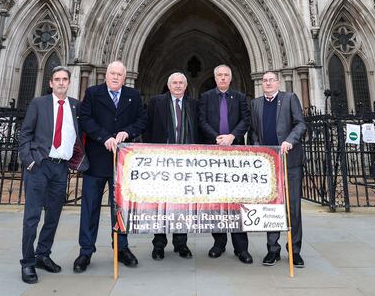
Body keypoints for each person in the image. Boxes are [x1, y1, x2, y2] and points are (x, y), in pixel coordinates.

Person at [74, 60, 147, 273]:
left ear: (125, 77)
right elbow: (85, 119)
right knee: (90, 208)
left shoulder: (133, 96)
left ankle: (121, 247)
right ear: (106, 75)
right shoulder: (93, 93)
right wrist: (103, 136)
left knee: (120, 209)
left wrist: (128, 132)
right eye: (112, 73)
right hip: (96, 159)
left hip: (121, 163)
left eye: (119, 74)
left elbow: (142, 120)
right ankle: (85, 251)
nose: (115, 77)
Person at [18, 66, 86, 284]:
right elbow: (25, 133)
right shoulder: (39, 103)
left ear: (69, 82)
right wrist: (28, 161)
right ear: (50, 83)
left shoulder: (76, 106)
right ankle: (27, 262)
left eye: (65, 79)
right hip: (39, 166)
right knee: (32, 217)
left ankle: (43, 255)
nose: (61, 83)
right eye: (57, 79)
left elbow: (82, 132)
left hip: (61, 168)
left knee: (53, 216)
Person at [249, 71, 307, 268]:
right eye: (264, 80)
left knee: (293, 208)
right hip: (269, 164)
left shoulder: (289, 98)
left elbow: (300, 124)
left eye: (271, 80)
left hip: (290, 162)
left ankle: (295, 250)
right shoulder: (256, 103)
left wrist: (290, 141)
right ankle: (272, 249)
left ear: (278, 82)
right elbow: (255, 131)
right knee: (271, 207)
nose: (267, 83)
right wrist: (257, 146)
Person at [198, 64, 253, 264]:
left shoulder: (238, 98)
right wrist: (217, 138)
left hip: (235, 154)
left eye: (226, 76)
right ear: (215, 78)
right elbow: (201, 121)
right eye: (219, 75)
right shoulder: (206, 97)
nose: (222, 78)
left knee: (237, 201)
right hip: (213, 153)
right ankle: (218, 243)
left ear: (230, 78)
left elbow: (245, 120)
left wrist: (232, 136)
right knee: (216, 201)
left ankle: (241, 248)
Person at [144, 72, 199, 260]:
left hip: (185, 163)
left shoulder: (193, 105)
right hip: (162, 162)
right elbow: (148, 129)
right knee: (161, 204)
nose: (177, 86)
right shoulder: (156, 102)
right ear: (168, 85)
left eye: (181, 83)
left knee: (181, 205)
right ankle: (159, 244)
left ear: (186, 86)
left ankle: (181, 243)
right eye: (174, 83)